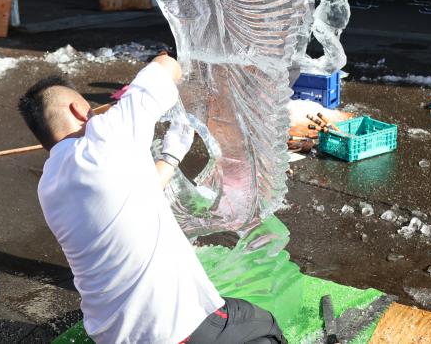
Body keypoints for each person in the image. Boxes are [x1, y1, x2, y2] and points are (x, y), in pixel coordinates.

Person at [18, 53, 286, 344]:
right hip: (173, 330)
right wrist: (166, 56)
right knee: (262, 326)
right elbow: (166, 67)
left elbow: (135, 196)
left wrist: (171, 155)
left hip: (112, 336)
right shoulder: (105, 137)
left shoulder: (50, 184)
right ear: (80, 109)